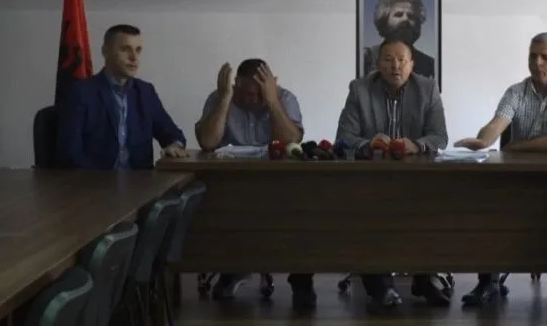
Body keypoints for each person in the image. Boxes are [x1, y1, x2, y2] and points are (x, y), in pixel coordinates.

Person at [453, 32, 547, 307]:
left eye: (546, 58)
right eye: (533, 56)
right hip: (520, 179)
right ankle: (488, 281)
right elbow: (496, 125)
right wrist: (483, 140)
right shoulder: (516, 91)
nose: (537, 63)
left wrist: (517, 146)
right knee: (486, 207)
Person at [336, 38, 449, 308]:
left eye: (401, 59)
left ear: (412, 64)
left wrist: (417, 145)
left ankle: (424, 279)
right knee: (370, 214)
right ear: (377, 64)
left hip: (416, 178)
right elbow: (343, 137)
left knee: (431, 210)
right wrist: (368, 144)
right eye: (388, 59)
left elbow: (440, 136)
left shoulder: (428, 88)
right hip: (371, 178)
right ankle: (381, 287)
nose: (395, 65)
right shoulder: (360, 89)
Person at [194, 59, 312, 310]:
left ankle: (301, 281)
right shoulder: (221, 97)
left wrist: (272, 101)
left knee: (303, 209)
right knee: (218, 206)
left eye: (260, 93)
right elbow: (207, 142)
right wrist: (225, 99)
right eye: (247, 94)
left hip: (279, 185)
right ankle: (233, 269)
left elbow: (292, 141)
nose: (253, 100)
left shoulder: (284, 98)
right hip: (231, 186)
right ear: (235, 86)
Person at [56, 24, 187, 169]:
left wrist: (174, 145)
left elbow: (173, 134)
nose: (134, 57)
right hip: (95, 180)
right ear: (105, 52)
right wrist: (101, 180)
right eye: (125, 49)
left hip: (140, 180)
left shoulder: (145, 92)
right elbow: (69, 152)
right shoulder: (81, 92)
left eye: (138, 50)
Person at [362, 0, 435, 79]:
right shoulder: (367, 58)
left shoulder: (429, 64)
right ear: (384, 21)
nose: (405, 19)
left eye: (411, 16)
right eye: (398, 14)